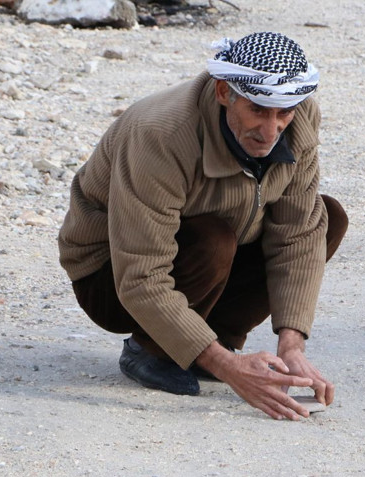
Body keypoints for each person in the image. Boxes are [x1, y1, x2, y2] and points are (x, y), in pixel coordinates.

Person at [57, 32, 347, 421]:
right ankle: (152, 348)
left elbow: (296, 234)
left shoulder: (299, 117)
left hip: (214, 253)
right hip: (111, 276)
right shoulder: (160, 134)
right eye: (258, 110)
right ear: (224, 93)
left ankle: (212, 343)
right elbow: (140, 276)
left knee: (325, 217)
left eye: (284, 112)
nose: (271, 130)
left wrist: (292, 347)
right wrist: (229, 368)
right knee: (213, 238)